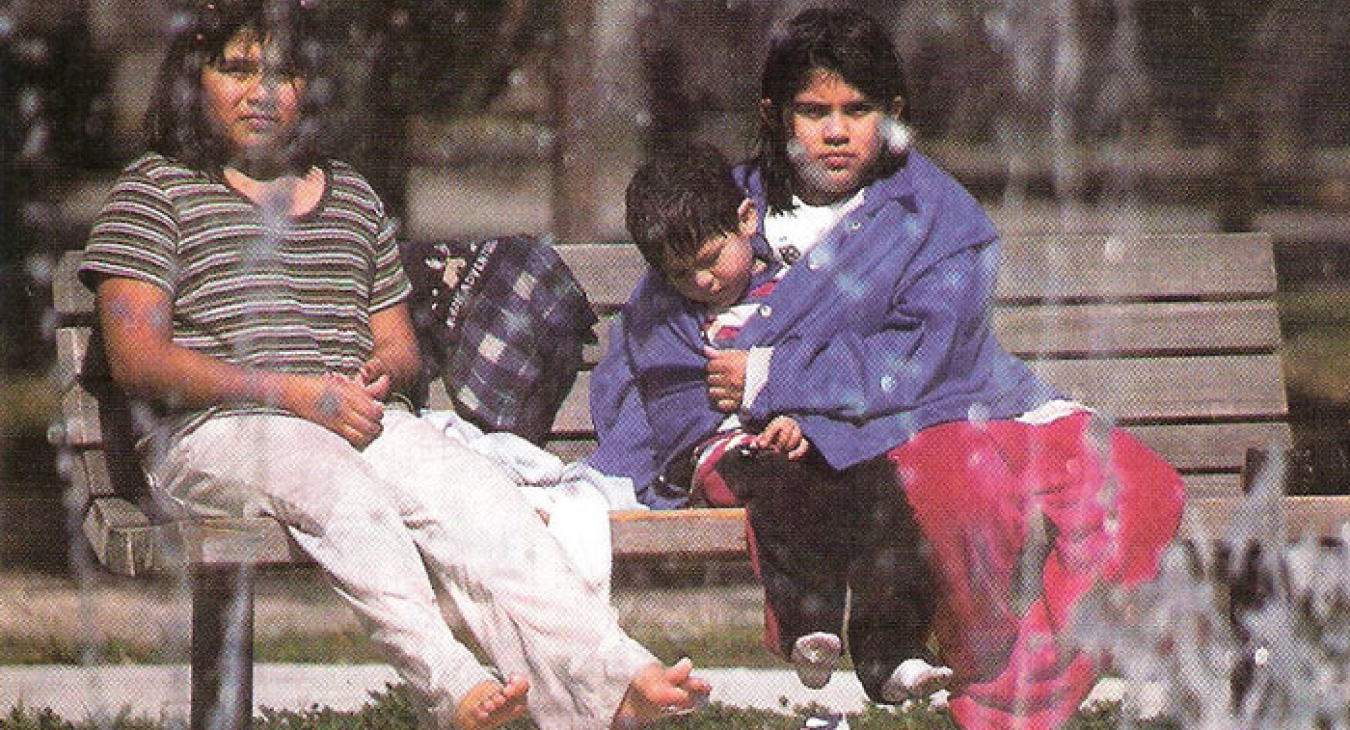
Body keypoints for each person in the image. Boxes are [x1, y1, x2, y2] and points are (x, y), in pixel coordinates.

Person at [76, 2, 709, 728]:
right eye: (238, 70)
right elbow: (137, 360)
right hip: (216, 431)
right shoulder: (154, 191)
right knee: (331, 481)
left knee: (479, 497)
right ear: (194, 81)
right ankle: (448, 683)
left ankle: (617, 674)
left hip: (351, 420)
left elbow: (398, 347)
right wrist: (293, 395)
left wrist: (381, 374)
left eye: (284, 74)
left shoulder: (350, 196)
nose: (262, 92)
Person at [598, 8, 1185, 729]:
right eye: (813, 111)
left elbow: (924, 359)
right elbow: (660, 344)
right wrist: (721, 432)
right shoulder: (716, 211)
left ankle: (1018, 698)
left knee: (1142, 492)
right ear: (773, 114)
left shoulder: (939, 215)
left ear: (894, 112)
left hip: (960, 398)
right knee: (964, 488)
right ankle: (995, 686)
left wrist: (772, 377)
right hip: (876, 444)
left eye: (859, 109)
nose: (837, 131)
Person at [591, 143, 953, 703]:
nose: (704, 282)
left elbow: (830, 365)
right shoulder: (667, 318)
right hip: (729, 453)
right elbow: (675, 398)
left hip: (811, 439)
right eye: (682, 274)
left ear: (746, 219)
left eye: (712, 259)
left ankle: (893, 649)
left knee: (880, 487)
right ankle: (808, 624)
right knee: (782, 484)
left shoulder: (799, 292)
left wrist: (805, 419)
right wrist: (759, 423)